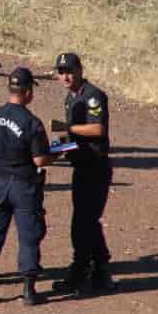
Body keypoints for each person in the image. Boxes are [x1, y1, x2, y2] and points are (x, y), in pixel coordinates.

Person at [0, 67, 56, 306]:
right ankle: (28, 290)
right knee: (28, 236)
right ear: (28, 92)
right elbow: (39, 160)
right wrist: (57, 154)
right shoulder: (32, 122)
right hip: (24, 187)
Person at [49, 52, 114, 295]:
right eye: (61, 72)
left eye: (69, 71)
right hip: (81, 166)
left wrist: (68, 128)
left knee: (83, 224)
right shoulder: (71, 99)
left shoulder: (93, 96)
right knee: (88, 222)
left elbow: (98, 129)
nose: (65, 76)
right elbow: (71, 138)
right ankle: (101, 271)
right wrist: (51, 152)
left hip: (95, 167)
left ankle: (80, 271)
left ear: (80, 70)